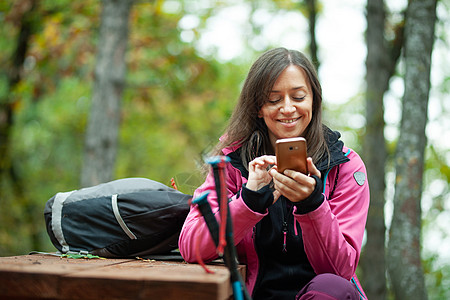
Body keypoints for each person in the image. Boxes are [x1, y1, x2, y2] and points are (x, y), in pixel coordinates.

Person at [178, 47, 369, 300]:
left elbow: (341, 270)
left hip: (322, 295)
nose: (288, 108)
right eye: (274, 99)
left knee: (331, 288)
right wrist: (248, 201)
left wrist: (312, 205)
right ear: (258, 107)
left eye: (299, 97)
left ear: (314, 100)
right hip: (253, 293)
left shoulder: (344, 166)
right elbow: (192, 247)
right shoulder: (233, 164)